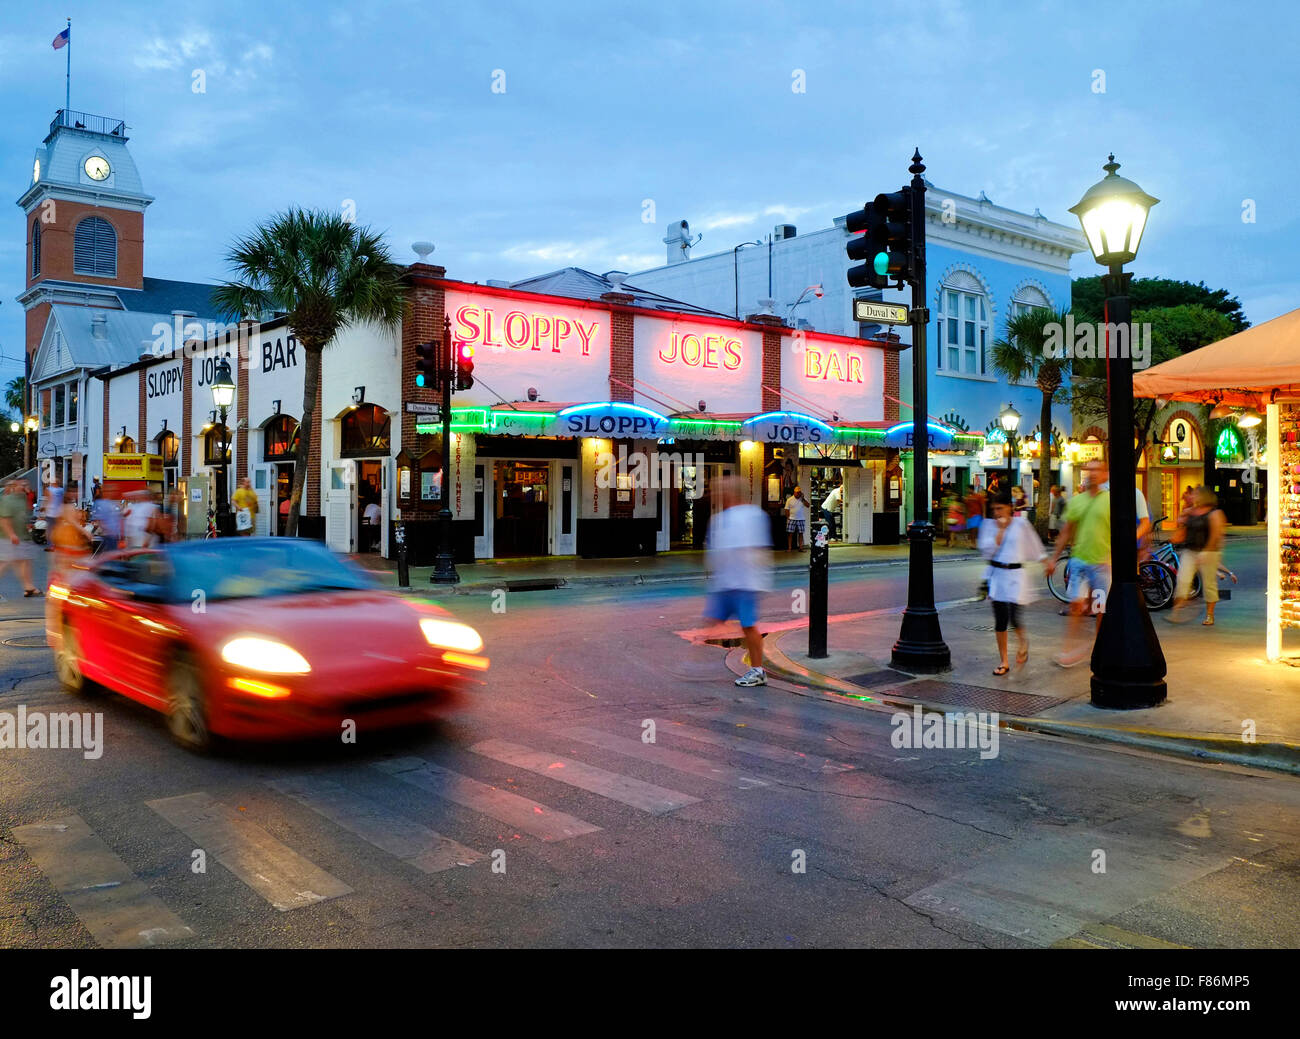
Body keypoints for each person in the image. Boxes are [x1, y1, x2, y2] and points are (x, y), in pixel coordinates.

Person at [703, 476, 773, 687]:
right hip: (729, 583)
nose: (716, 495)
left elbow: (754, 550)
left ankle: (758, 670)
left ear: (731, 493)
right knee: (714, 621)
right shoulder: (725, 518)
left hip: (743, 583)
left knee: (748, 625)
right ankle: (694, 665)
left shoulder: (749, 516)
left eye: (720, 491)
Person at [1046, 459, 1111, 667]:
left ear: (1104, 475)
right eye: (1089, 470)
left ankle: (1099, 649)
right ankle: (1069, 649)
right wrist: (1054, 558)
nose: (1091, 474)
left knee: (1100, 609)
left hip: (1102, 564)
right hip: (1079, 561)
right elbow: (1066, 531)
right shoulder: (1077, 501)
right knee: (1076, 605)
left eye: (1096, 470)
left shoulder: (1111, 501)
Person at [979, 488, 1044, 675]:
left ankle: (1023, 641)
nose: (997, 513)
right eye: (994, 509)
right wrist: (999, 534)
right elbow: (986, 551)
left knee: (1015, 618)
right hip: (998, 575)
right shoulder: (989, 526)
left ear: (1009, 507)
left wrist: (1045, 560)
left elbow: (1034, 544)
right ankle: (1004, 661)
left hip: (1016, 576)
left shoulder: (1021, 524)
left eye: (1000, 508)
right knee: (1000, 619)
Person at [1169, 485, 1228, 625]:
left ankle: (1209, 615)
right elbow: (1182, 529)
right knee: (1183, 579)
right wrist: (1181, 521)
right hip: (1190, 550)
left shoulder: (1215, 513)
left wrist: (1206, 551)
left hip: (1209, 552)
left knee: (1209, 585)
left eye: (1196, 494)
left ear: (1204, 496)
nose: (1192, 497)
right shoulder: (1190, 511)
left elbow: (1216, 535)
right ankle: (1176, 612)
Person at [0, 479, 42, 597]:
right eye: (22, 485)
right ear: (14, 486)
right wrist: (11, 534)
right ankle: (29, 587)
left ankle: (29, 587)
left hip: (22, 537)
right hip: (9, 538)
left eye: (26, 484)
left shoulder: (22, 498)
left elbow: (23, 514)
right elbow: (4, 519)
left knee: (25, 561)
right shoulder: (7, 500)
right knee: (4, 563)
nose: (25, 486)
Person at [50, 480, 91, 576]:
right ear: (68, 493)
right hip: (67, 537)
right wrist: (85, 532)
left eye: (77, 492)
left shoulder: (66, 504)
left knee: (66, 564)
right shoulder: (69, 505)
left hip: (64, 536)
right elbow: (71, 521)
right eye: (74, 491)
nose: (76, 494)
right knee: (69, 564)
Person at [783, 486, 809, 551]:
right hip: (791, 519)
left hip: (801, 519)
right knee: (790, 534)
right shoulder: (789, 500)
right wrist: (788, 517)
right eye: (797, 492)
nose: (798, 494)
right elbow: (786, 509)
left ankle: (801, 548)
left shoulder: (802, 499)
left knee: (801, 533)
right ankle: (789, 548)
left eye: (799, 492)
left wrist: (803, 499)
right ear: (794, 492)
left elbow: (808, 505)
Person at [963, 482, 986, 547]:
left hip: (977, 514)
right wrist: (965, 516)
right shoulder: (967, 497)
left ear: (971, 489)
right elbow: (966, 507)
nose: (967, 490)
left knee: (974, 529)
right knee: (971, 530)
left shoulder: (978, 496)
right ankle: (973, 543)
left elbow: (983, 505)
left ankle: (974, 544)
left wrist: (984, 514)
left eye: (968, 489)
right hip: (969, 515)